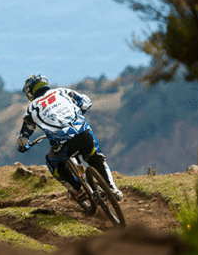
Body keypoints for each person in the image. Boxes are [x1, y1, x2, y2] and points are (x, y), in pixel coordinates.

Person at [16, 74, 123, 205]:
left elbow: (24, 136)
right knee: (96, 157)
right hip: (84, 133)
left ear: (30, 91)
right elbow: (86, 102)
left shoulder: (32, 108)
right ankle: (112, 188)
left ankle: (77, 191)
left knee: (52, 162)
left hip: (64, 144)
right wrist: (78, 113)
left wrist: (23, 146)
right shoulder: (62, 91)